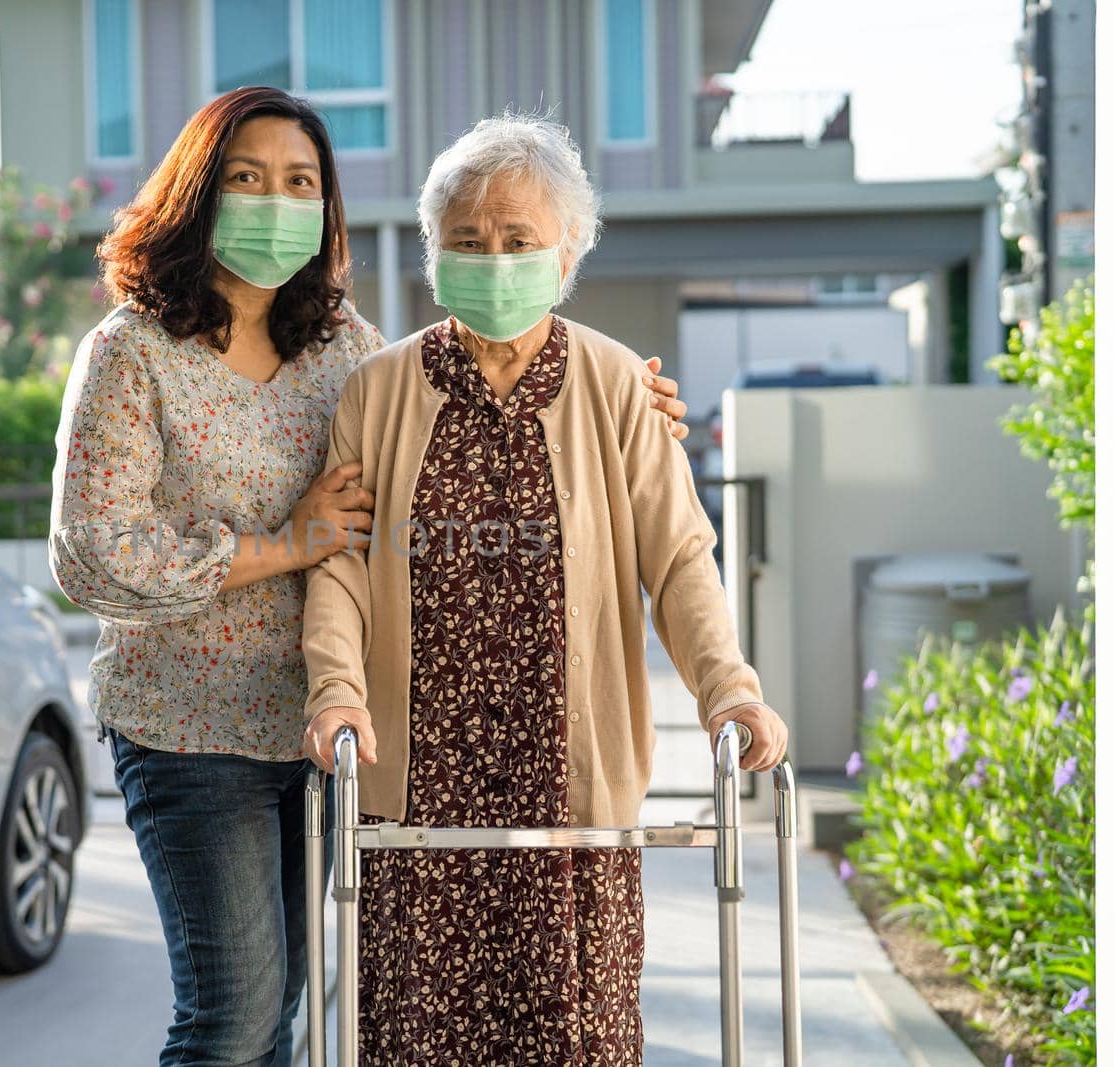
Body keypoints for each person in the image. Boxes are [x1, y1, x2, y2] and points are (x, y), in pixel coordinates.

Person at [50, 88, 689, 1067]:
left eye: (299, 181)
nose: (275, 199)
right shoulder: (132, 351)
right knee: (232, 1015)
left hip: (330, 735)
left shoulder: (338, 344)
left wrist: (618, 401)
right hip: (192, 726)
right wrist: (281, 545)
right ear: (197, 193)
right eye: (246, 178)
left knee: (298, 1007)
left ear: (326, 202)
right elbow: (91, 551)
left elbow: (458, 393)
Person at [301, 112, 789, 1065]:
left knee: (576, 1036)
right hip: (420, 796)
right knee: (412, 1040)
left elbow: (680, 554)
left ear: (564, 252)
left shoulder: (615, 383)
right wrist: (337, 690)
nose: (493, 257)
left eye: (518, 239)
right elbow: (341, 568)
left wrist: (728, 684)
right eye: (468, 241)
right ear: (434, 252)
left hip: (569, 793)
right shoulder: (377, 390)